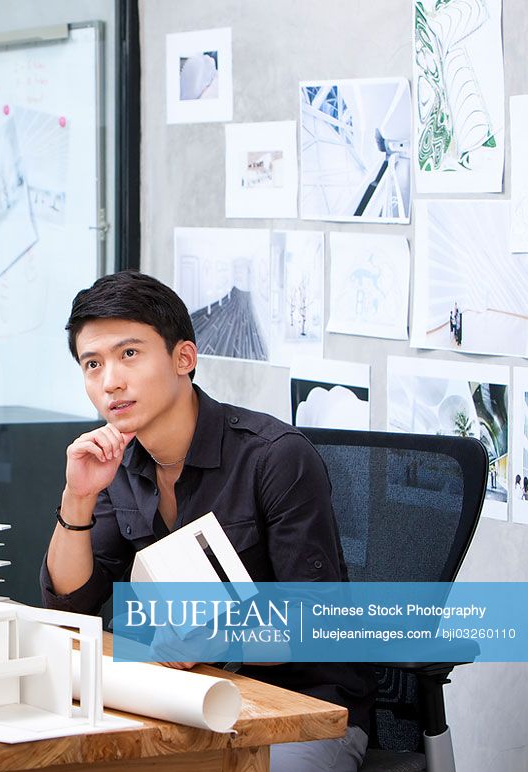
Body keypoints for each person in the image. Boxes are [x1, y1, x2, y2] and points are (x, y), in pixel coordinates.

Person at [42, 271, 374, 772]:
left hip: (301, 706)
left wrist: (212, 638)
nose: (110, 380)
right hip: (182, 698)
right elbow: (72, 602)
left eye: (129, 354)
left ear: (184, 359)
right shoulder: (120, 464)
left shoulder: (275, 458)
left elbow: (315, 622)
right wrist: (78, 497)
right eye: (93, 364)